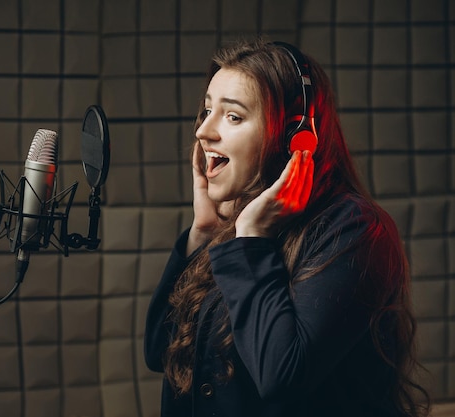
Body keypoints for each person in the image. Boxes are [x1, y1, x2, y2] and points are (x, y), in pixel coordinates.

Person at [144, 37, 430, 417]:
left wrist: (251, 241)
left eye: (232, 116)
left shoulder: (354, 230)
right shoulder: (229, 230)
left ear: (295, 135)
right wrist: (204, 232)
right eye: (207, 110)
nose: (203, 131)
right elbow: (158, 352)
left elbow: (281, 376)